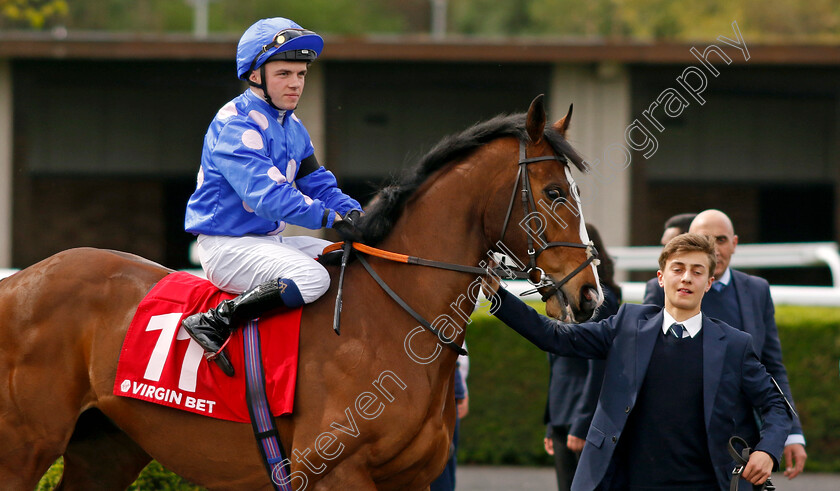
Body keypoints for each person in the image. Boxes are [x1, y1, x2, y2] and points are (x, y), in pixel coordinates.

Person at [487, 233, 792, 491]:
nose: (686, 277)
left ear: (709, 283)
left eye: (697, 271)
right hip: (624, 482)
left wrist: (767, 450)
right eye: (678, 268)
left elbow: (777, 406)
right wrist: (498, 294)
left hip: (705, 482)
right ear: (661, 278)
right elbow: (557, 338)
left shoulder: (734, 345)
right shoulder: (627, 324)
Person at [182, 17, 363, 376]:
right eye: (284, 74)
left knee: (348, 260)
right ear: (255, 76)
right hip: (227, 247)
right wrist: (330, 218)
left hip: (268, 242)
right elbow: (269, 197)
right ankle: (216, 320)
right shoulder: (235, 123)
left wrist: (354, 212)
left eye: (301, 74)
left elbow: (319, 183)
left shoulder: (292, 126)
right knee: (315, 279)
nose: (296, 84)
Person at [644, 209, 808, 480]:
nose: (714, 248)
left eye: (720, 240)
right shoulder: (663, 288)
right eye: (704, 239)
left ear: (734, 243)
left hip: (741, 439)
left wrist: (791, 433)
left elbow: (772, 367)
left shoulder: (756, 290)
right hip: (679, 442)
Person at [543, 224, 620, 490]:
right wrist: (551, 423)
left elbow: (599, 365)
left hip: (583, 419)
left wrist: (583, 422)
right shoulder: (563, 296)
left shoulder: (602, 300)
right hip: (563, 417)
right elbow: (556, 365)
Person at [430, 352, 469, 491]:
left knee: (445, 453)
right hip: (432, 376)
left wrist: (463, 389)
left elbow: (460, 346)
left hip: (449, 378)